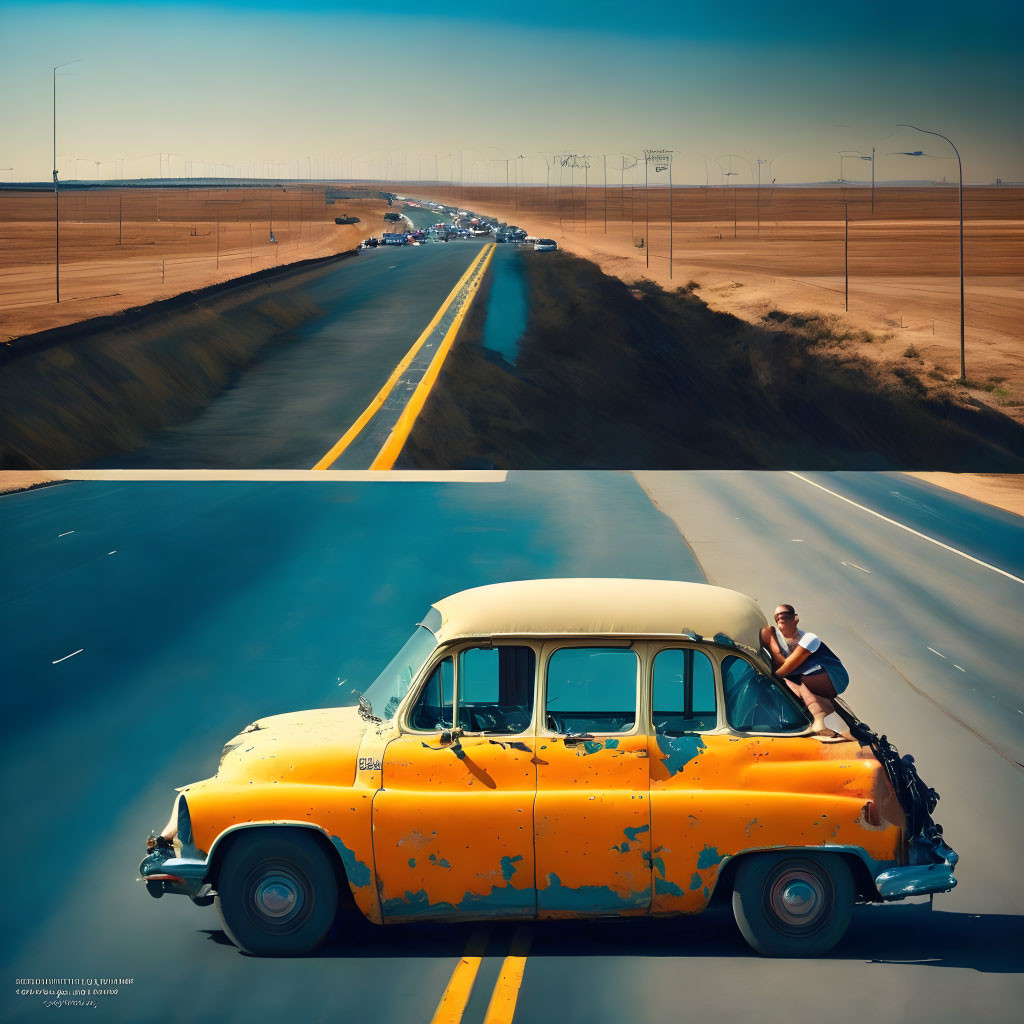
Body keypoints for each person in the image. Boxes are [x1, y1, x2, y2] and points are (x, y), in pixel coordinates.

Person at [759, 604, 850, 742]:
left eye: (783, 616)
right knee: (791, 682)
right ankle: (821, 716)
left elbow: (786, 668)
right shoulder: (782, 643)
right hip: (810, 676)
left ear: (795, 618)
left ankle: (821, 718)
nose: (779, 620)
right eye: (776, 618)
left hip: (835, 676)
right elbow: (782, 664)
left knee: (791, 680)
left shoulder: (809, 639)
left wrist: (771, 643)